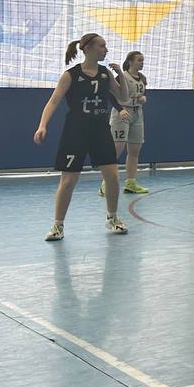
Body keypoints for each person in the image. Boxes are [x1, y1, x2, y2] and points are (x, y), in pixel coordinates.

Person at [33, 33, 130, 241]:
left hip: (100, 131)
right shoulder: (71, 75)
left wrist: (120, 74)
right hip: (75, 131)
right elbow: (53, 101)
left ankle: (112, 218)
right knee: (68, 180)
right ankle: (57, 226)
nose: (106, 50)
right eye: (102, 46)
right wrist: (42, 125)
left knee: (112, 176)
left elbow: (123, 96)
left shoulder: (105, 73)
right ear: (88, 49)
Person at [104, 51, 149, 197]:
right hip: (122, 113)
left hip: (137, 113)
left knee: (135, 150)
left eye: (142, 60)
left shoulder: (143, 78)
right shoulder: (122, 77)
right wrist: (120, 109)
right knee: (117, 149)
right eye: (139, 60)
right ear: (130, 62)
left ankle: (130, 183)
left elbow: (142, 94)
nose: (141, 63)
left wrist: (143, 98)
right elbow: (111, 95)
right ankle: (105, 183)